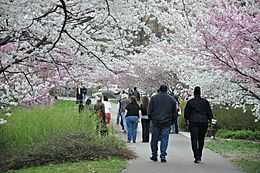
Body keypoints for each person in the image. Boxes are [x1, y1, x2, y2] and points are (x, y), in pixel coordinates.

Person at [148, 84, 177, 163]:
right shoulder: (172, 99)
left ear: (159, 89)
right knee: (165, 139)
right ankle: (163, 155)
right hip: (167, 122)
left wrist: (151, 118)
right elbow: (174, 112)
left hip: (156, 121)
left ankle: (154, 155)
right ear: (167, 90)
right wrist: (172, 121)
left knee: (154, 139)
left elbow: (149, 111)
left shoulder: (154, 98)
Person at [184, 86, 213, 164]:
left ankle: (196, 156)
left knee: (194, 139)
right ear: (200, 92)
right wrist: (210, 121)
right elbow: (209, 112)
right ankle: (199, 155)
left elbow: (186, 113)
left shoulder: (190, 102)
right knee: (201, 139)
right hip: (203, 121)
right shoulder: (205, 102)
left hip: (193, 121)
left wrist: (186, 121)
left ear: (194, 92)